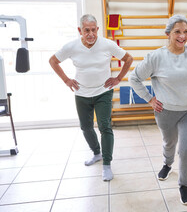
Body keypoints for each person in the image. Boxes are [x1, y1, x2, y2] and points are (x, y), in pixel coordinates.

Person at [129, 14, 187, 205]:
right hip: (165, 111)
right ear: (168, 34)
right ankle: (167, 164)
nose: (182, 36)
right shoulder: (156, 57)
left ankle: (183, 185)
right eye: (177, 32)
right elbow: (134, 78)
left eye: (186, 32)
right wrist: (149, 99)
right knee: (169, 143)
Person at [49, 14, 133, 181]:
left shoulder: (107, 44)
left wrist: (118, 79)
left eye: (93, 30)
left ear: (97, 30)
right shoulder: (72, 46)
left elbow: (128, 58)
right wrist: (66, 80)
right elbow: (53, 61)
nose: (90, 34)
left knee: (105, 127)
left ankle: (107, 164)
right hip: (81, 93)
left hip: (103, 91)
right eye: (86, 30)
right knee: (86, 127)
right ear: (80, 30)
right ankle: (97, 153)